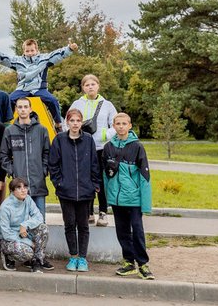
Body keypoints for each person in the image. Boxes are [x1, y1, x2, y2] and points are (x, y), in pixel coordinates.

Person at [103, 113, 155, 280]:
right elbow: (106, 175)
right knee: (122, 232)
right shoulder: (108, 147)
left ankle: (143, 263)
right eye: (118, 123)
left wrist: (145, 205)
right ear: (113, 126)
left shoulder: (137, 147)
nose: (121, 126)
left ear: (130, 126)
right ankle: (128, 262)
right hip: (117, 200)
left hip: (133, 199)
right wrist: (107, 198)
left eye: (124, 123)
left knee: (137, 231)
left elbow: (145, 177)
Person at [49, 108, 100, 272]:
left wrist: (94, 184)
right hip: (66, 191)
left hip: (85, 191)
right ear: (67, 122)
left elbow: (94, 163)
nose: (75, 124)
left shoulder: (88, 140)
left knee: (83, 226)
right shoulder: (59, 140)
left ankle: (83, 259)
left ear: (81, 122)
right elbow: (53, 165)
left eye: (78, 121)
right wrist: (59, 183)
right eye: (72, 121)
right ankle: (73, 256)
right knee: (69, 224)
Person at [0, 39, 78, 130]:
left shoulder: (44, 59)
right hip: (23, 88)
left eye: (32, 50)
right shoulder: (18, 61)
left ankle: (58, 123)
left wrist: (69, 49)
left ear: (37, 50)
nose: (30, 53)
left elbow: (57, 55)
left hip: (39, 88)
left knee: (53, 100)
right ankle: (7, 122)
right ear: (23, 51)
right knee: (9, 100)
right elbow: (6, 59)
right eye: (27, 51)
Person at [69, 74, 117, 226]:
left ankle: (103, 212)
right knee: (85, 179)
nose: (90, 87)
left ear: (98, 86)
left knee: (101, 180)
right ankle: (88, 212)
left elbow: (115, 124)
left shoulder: (107, 105)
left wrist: (105, 134)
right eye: (87, 85)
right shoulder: (78, 103)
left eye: (93, 84)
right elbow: (67, 121)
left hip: (101, 147)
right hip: (82, 147)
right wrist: (74, 134)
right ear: (83, 88)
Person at [0, 97, 51, 220]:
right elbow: (3, 155)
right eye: (20, 107)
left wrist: (43, 170)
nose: (23, 110)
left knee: (39, 223)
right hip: (19, 186)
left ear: (30, 109)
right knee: (20, 223)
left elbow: (47, 153)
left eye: (25, 107)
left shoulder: (41, 130)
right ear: (16, 110)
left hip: (38, 184)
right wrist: (12, 171)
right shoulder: (10, 131)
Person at [0, 178, 50, 273]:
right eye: (19, 187)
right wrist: (29, 243)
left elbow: (39, 217)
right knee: (27, 253)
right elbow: (6, 234)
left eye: (25, 187)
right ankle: (8, 256)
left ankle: (37, 261)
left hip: (23, 233)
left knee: (43, 228)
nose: (23, 190)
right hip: (8, 239)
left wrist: (25, 225)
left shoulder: (28, 199)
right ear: (12, 191)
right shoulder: (5, 207)